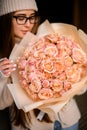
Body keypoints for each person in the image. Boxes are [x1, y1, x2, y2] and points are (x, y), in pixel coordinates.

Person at [0, 0, 85, 130]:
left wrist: (75, 76)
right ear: (7, 18)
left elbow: (81, 89)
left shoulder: (49, 39)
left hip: (68, 120)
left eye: (32, 17)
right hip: (31, 126)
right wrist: (3, 76)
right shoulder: (3, 58)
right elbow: (1, 103)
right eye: (21, 17)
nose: (28, 24)